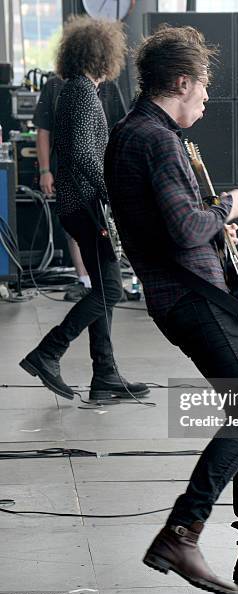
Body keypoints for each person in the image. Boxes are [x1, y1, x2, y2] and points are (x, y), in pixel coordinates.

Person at [104, 25, 238, 594]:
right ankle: (182, 530)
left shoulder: (134, 132)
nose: (208, 99)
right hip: (194, 298)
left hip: (183, 294)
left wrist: (213, 234)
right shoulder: (157, 139)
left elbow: (171, 227)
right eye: (204, 88)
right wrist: (225, 210)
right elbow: (185, 226)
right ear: (184, 81)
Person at [20, 16, 148, 403]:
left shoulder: (77, 90)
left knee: (104, 286)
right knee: (111, 288)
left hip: (82, 203)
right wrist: (112, 191)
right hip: (86, 205)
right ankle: (49, 352)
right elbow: (78, 153)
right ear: (103, 55)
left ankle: (105, 374)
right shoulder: (81, 92)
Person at [34, 74, 126, 302]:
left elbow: (118, 128)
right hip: (83, 193)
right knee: (109, 289)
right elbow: (49, 135)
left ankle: (100, 338)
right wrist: (45, 171)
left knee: (104, 287)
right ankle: (58, 336)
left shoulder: (91, 88)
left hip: (84, 191)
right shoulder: (76, 90)